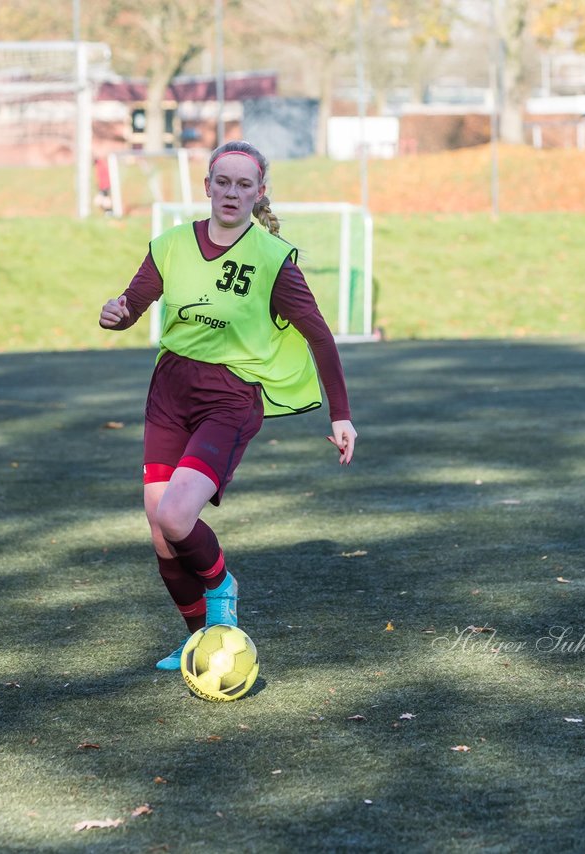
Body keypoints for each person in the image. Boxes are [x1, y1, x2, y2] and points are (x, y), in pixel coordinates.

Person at [98, 139, 357, 671]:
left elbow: (320, 336)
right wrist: (116, 314)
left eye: (244, 185)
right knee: (159, 528)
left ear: (260, 192)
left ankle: (222, 588)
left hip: (230, 397)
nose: (231, 193)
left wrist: (341, 413)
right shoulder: (170, 244)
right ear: (207, 186)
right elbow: (133, 305)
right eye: (223, 182)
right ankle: (200, 641)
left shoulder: (271, 259)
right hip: (169, 391)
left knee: (175, 514)